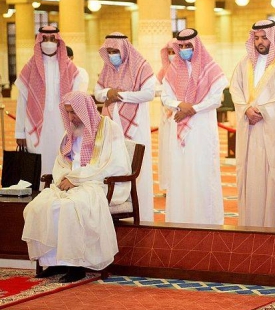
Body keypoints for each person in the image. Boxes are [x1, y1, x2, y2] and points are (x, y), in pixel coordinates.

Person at [22, 91, 131, 283]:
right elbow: (62, 161)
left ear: (85, 109)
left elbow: (113, 165)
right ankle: (55, 262)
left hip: (99, 184)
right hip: (72, 184)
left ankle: (76, 266)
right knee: (38, 207)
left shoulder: (108, 128)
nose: (71, 118)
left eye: (74, 112)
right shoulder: (70, 132)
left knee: (69, 208)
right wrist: (66, 177)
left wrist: (77, 178)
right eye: (68, 113)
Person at [229, 19, 275, 229]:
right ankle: (252, 227)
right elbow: (236, 89)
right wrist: (245, 109)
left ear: (274, 38)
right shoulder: (245, 64)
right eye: (257, 38)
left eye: (264, 37)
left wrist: (261, 110)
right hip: (251, 133)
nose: (260, 42)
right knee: (253, 181)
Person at [161, 29, 228, 224]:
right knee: (180, 173)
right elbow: (165, 97)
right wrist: (179, 105)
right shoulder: (174, 69)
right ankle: (180, 219)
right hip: (179, 125)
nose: (183, 50)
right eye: (180, 46)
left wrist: (194, 109)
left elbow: (216, 99)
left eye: (188, 46)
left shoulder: (211, 68)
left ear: (196, 46)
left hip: (202, 128)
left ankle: (206, 219)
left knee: (202, 172)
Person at [94, 33, 156, 222]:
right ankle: (117, 209)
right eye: (109, 51)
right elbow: (97, 93)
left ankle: (142, 214)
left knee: (137, 167)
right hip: (112, 126)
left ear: (124, 50)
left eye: (115, 51)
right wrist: (108, 93)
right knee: (114, 165)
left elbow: (149, 93)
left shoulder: (142, 66)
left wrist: (121, 96)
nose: (113, 55)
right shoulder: (107, 68)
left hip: (136, 125)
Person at [15, 26, 85, 176]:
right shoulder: (29, 68)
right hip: (35, 125)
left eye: (52, 39)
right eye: (44, 39)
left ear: (58, 42)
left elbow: (78, 100)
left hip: (63, 124)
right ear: (39, 42)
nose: (48, 43)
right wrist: (19, 133)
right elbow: (21, 103)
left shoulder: (70, 68)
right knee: (38, 166)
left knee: (62, 161)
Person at [156, 38, 176, 193]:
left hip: (178, 116)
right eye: (168, 53)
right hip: (165, 116)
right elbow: (155, 89)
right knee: (166, 151)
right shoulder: (163, 71)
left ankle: (178, 184)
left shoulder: (185, 71)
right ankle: (168, 185)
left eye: (173, 52)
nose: (171, 55)